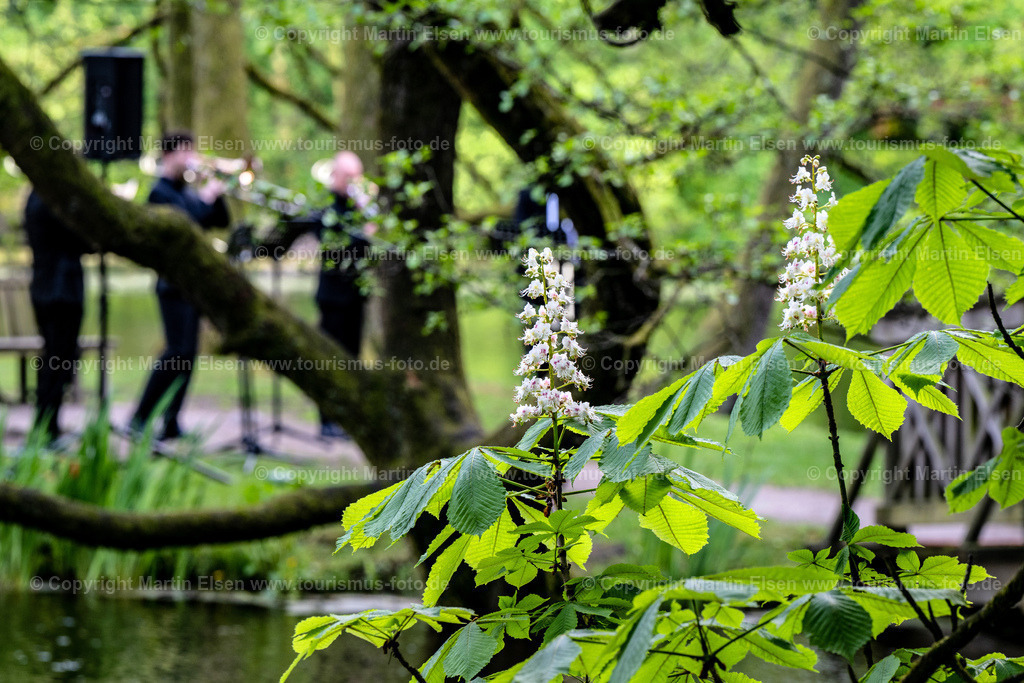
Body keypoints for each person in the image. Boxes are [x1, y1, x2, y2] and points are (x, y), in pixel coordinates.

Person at [266, 151, 375, 439]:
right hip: (332, 298)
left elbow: (368, 251)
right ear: (335, 176)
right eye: (350, 177)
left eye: (357, 176)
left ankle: (350, 420)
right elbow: (339, 246)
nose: (355, 182)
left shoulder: (359, 208)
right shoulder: (324, 209)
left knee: (351, 360)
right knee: (330, 361)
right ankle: (327, 421)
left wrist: (367, 216)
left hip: (356, 297)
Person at [130, 131, 229, 440]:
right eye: (186, 151)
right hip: (171, 287)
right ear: (169, 155)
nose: (191, 158)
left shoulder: (187, 192)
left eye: (193, 151)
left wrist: (218, 190)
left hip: (193, 286)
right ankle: (141, 416)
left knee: (188, 355)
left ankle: (171, 421)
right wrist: (207, 196)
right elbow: (186, 221)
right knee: (176, 351)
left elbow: (220, 220)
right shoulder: (159, 193)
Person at [22, 189, 96, 442]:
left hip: (45, 288)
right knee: (60, 359)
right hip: (62, 292)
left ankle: (46, 426)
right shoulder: (56, 201)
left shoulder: (34, 197)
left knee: (55, 358)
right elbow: (86, 241)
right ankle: (46, 429)